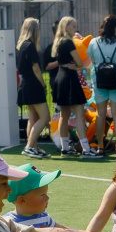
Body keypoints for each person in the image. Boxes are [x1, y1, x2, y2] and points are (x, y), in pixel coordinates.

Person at [46, 16, 95, 158]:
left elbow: (63, 62)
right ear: (66, 26)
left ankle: (65, 148)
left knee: (64, 115)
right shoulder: (68, 42)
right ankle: (86, 149)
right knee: (80, 115)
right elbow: (80, 62)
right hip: (70, 79)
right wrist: (75, 64)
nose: (75, 28)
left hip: (60, 78)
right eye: (73, 26)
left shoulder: (59, 42)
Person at [87, 15, 116, 151]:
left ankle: (100, 145)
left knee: (100, 113)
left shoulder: (94, 42)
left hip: (99, 82)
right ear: (115, 28)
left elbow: (92, 61)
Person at [15, 18, 51, 159]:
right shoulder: (30, 46)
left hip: (25, 84)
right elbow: (36, 68)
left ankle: (33, 147)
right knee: (45, 116)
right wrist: (43, 84)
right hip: (33, 84)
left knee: (33, 117)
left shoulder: (21, 45)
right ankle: (29, 146)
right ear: (35, 30)